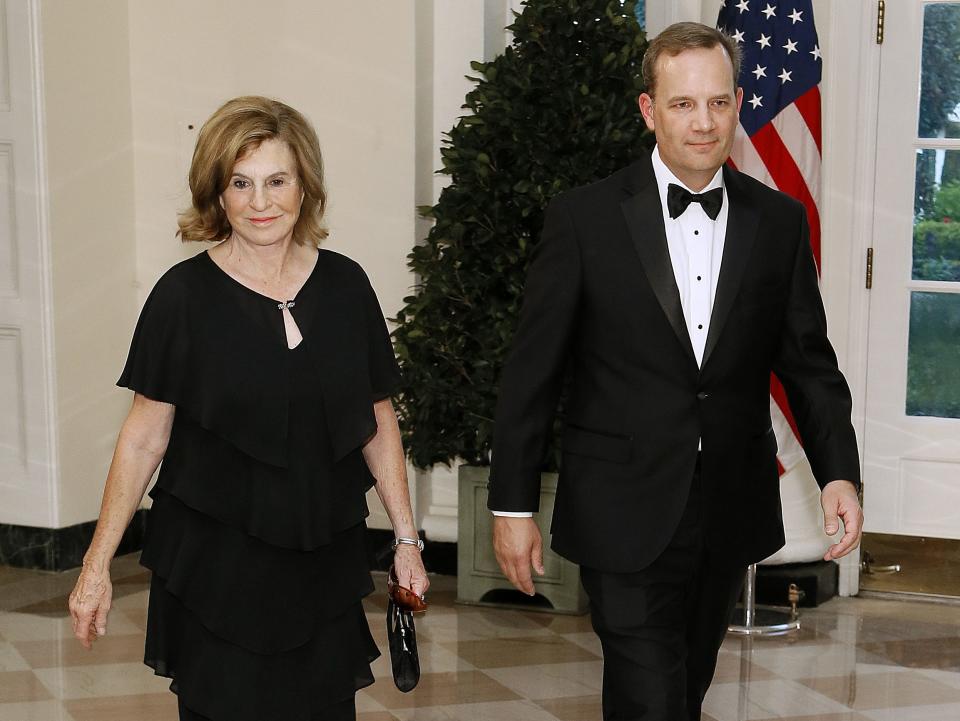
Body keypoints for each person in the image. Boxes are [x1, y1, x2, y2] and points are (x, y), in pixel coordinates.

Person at [488, 22, 863, 721]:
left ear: (739, 104)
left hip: (727, 501)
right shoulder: (584, 220)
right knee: (650, 693)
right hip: (619, 504)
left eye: (718, 103)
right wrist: (511, 505)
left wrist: (838, 469)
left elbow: (809, 363)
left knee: (682, 686)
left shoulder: (778, 223)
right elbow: (531, 372)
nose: (703, 121)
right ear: (648, 109)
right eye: (684, 103)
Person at [67, 96, 428, 721]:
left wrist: (406, 540)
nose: (261, 202)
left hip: (320, 562)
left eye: (277, 181)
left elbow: (377, 422)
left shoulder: (345, 288)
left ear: (304, 186)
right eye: (241, 183)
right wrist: (96, 566)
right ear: (218, 193)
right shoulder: (181, 299)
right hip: (216, 572)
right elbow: (143, 439)